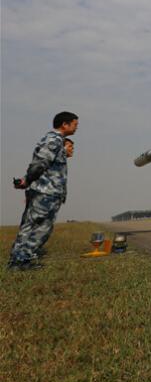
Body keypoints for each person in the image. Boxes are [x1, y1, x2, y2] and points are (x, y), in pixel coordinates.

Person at [8, 111, 79, 271]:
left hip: (46, 192)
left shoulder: (56, 141)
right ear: (64, 124)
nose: (76, 128)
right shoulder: (53, 140)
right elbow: (39, 164)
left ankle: (20, 260)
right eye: (75, 124)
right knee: (39, 227)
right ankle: (21, 261)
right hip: (45, 193)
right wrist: (28, 180)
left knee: (32, 226)